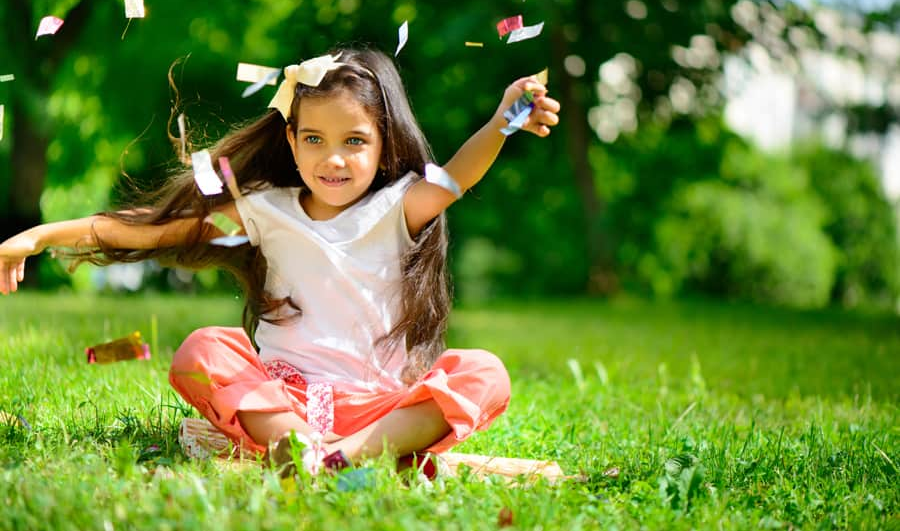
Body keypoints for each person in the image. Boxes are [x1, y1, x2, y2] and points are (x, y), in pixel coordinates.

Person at [0, 47, 561, 472]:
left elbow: (460, 172)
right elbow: (152, 232)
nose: (332, 158)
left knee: (484, 371)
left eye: (355, 142)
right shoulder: (263, 213)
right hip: (284, 404)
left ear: (385, 144)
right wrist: (41, 235)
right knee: (205, 347)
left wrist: (503, 121)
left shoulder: (402, 207)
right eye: (313, 139)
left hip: (378, 410)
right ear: (290, 142)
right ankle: (302, 451)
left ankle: (338, 458)